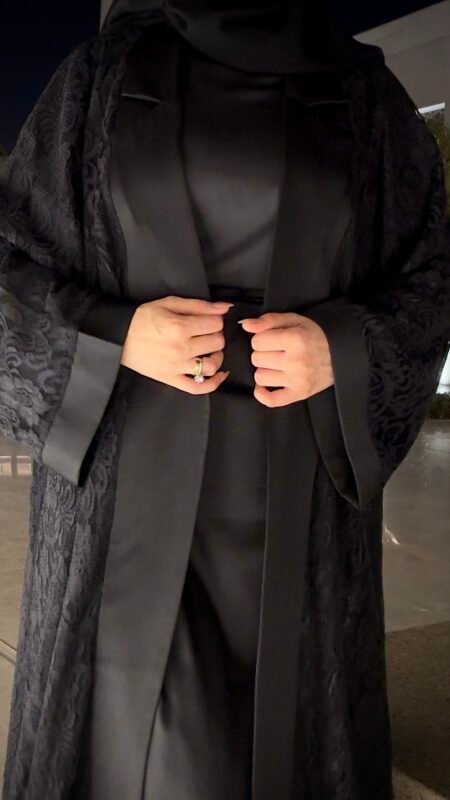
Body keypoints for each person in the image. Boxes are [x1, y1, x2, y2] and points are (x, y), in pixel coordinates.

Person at [1, 2, 449, 799]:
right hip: (126, 479)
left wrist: (343, 347)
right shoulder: (98, 79)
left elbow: (430, 276)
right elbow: (11, 260)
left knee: (284, 734)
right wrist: (117, 334)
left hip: (299, 485)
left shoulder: (366, 95)